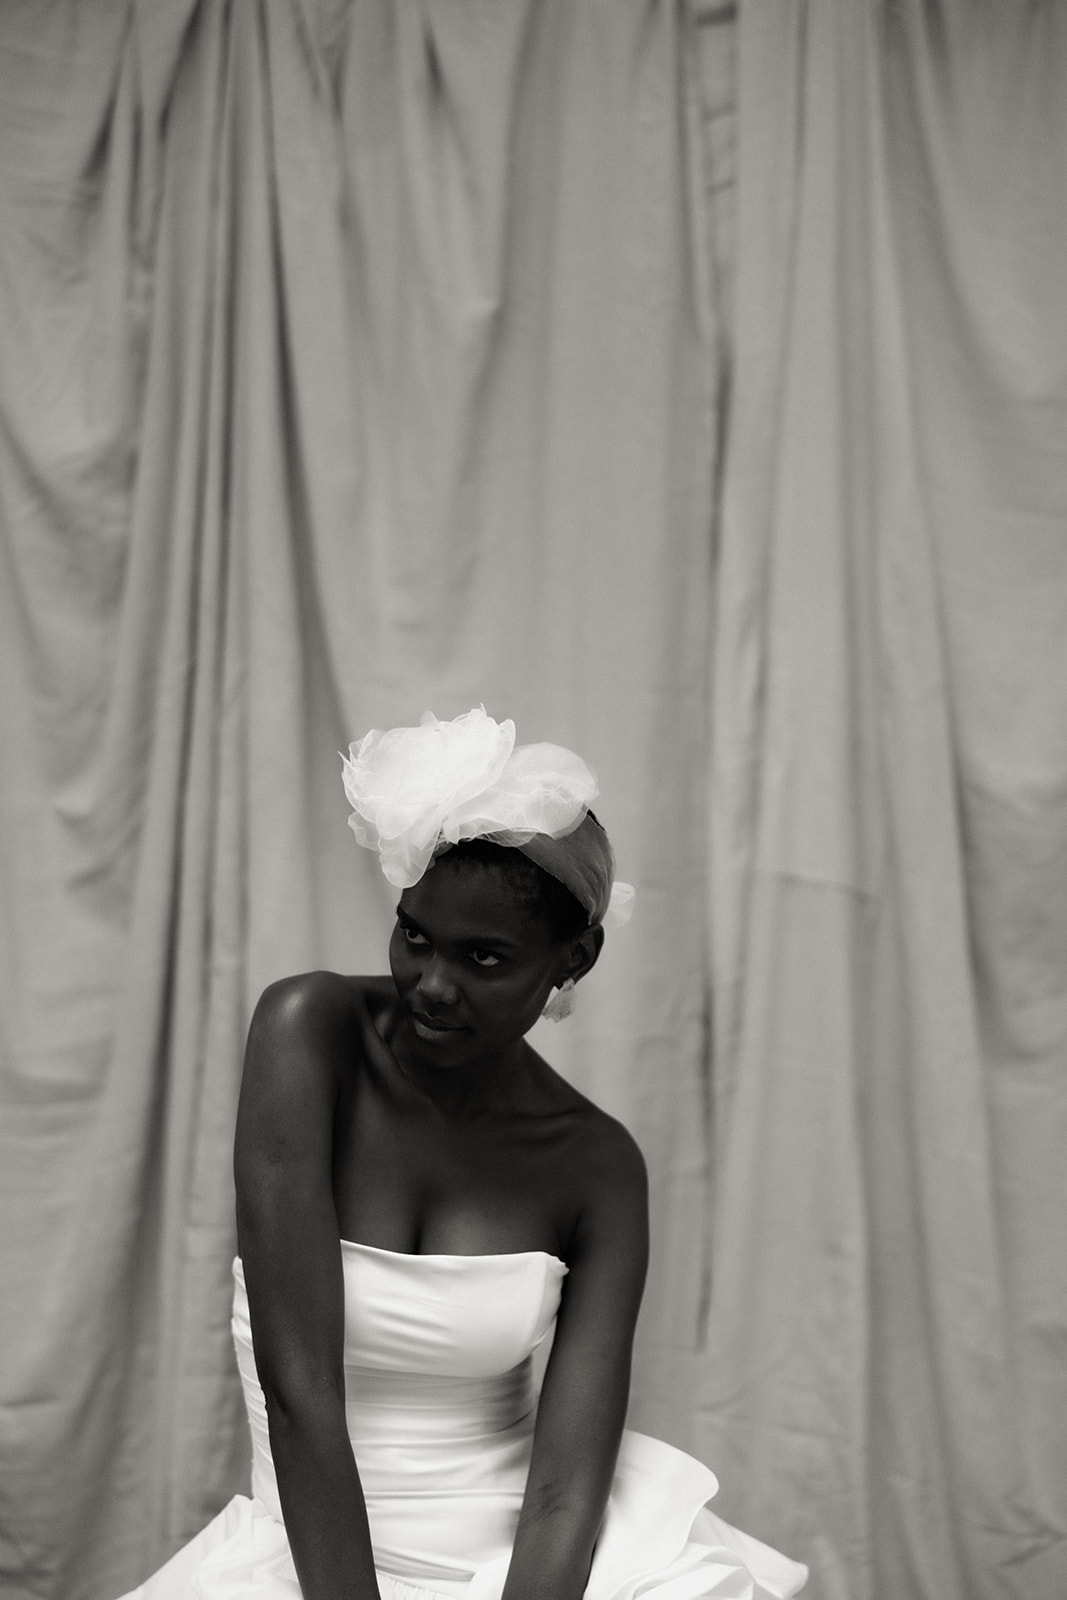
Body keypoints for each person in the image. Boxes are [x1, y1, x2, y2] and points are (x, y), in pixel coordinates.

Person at [119, 708, 807, 1600]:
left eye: (483, 957)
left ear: (575, 959)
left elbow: (563, 1488)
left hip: (528, 1564)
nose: (431, 988)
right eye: (415, 937)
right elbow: (301, 1399)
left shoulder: (596, 1165)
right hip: (315, 1558)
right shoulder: (307, 1036)